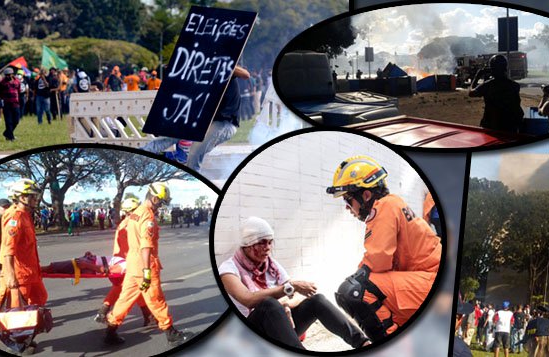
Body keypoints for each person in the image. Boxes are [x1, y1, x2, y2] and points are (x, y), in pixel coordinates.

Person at [326, 156, 441, 343]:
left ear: (365, 195)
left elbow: (376, 262)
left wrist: (356, 278)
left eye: (348, 200)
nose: (347, 208)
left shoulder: (384, 207)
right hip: (426, 281)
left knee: (354, 291)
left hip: (427, 282)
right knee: (368, 290)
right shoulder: (392, 203)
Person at [218, 217, 369, 350]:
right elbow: (249, 299)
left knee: (317, 300)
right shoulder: (228, 269)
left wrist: (284, 304)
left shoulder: (271, 265)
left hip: (280, 326)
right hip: (250, 335)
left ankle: (362, 343)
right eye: (262, 243)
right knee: (268, 304)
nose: (268, 248)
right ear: (248, 245)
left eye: (270, 242)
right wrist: (287, 291)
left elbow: (298, 295)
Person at [105, 182, 195, 347]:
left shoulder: (135, 213)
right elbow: (145, 246)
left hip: (132, 264)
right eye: (161, 203)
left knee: (125, 299)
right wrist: (147, 271)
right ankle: (171, 333)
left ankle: (110, 331)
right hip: (143, 264)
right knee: (156, 298)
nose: (160, 206)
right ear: (154, 199)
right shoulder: (147, 216)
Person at [141, 65, 251, 171]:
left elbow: (246, 75)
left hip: (224, 122)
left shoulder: (224, 70)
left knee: (194, 153)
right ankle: (139, 157)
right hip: (203, 121)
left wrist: (224, 64)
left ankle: (191, 178)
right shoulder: (200, 76)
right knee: (167, 137)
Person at [0, 179, 47, 313]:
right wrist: (11, 276)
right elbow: (8, 248)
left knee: (40, 298)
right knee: (16, 312)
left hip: (31, 272)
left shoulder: (25, 214)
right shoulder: (14, 217)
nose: (36, 199)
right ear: (22, 197)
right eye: (33, 196)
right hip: (20, 273)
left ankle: (32, 323)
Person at [93, 197, 156, 327]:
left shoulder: (125, 223)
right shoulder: (132, 223)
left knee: (130, 290)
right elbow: (137, 246)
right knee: (128, 291)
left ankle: (147, 316)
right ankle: (108, 317)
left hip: (122, 261)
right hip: (129, 262)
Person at [469, 54, 524, 133]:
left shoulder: (487, 85)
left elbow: (471, 93)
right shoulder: (515, 86)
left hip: (491, 127)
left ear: (492, 69)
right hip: (510, 127)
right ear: (505, 68)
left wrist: (477, 76)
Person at [0, 68, 22, 141]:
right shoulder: (2, 82)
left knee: (16, 121)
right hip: (7, 104)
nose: (7, 76)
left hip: (16, 104)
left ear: (12, 74)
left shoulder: (17, 81)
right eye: (6, 75)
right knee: (8, 122)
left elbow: (19, 91)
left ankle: (7, 133)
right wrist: (4, 98)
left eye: (9, 75)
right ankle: (10, 137)